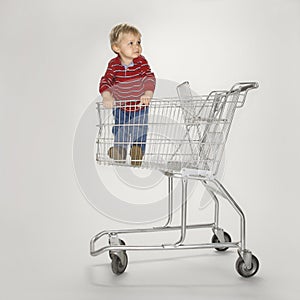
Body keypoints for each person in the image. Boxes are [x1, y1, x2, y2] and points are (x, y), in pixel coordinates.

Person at [99, 23, 156, 166]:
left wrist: (148, 94)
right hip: (121, 106)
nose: (137, 46)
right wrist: (107, 96)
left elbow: (149, 77)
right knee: (120, 129)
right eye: (131, 43)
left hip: (140, 105)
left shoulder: (141, 62)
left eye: (138, 42)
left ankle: (138, 152)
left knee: (140, 129)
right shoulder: (114, 65)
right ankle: (120, 151)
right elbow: (106, 81)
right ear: (116, 48)